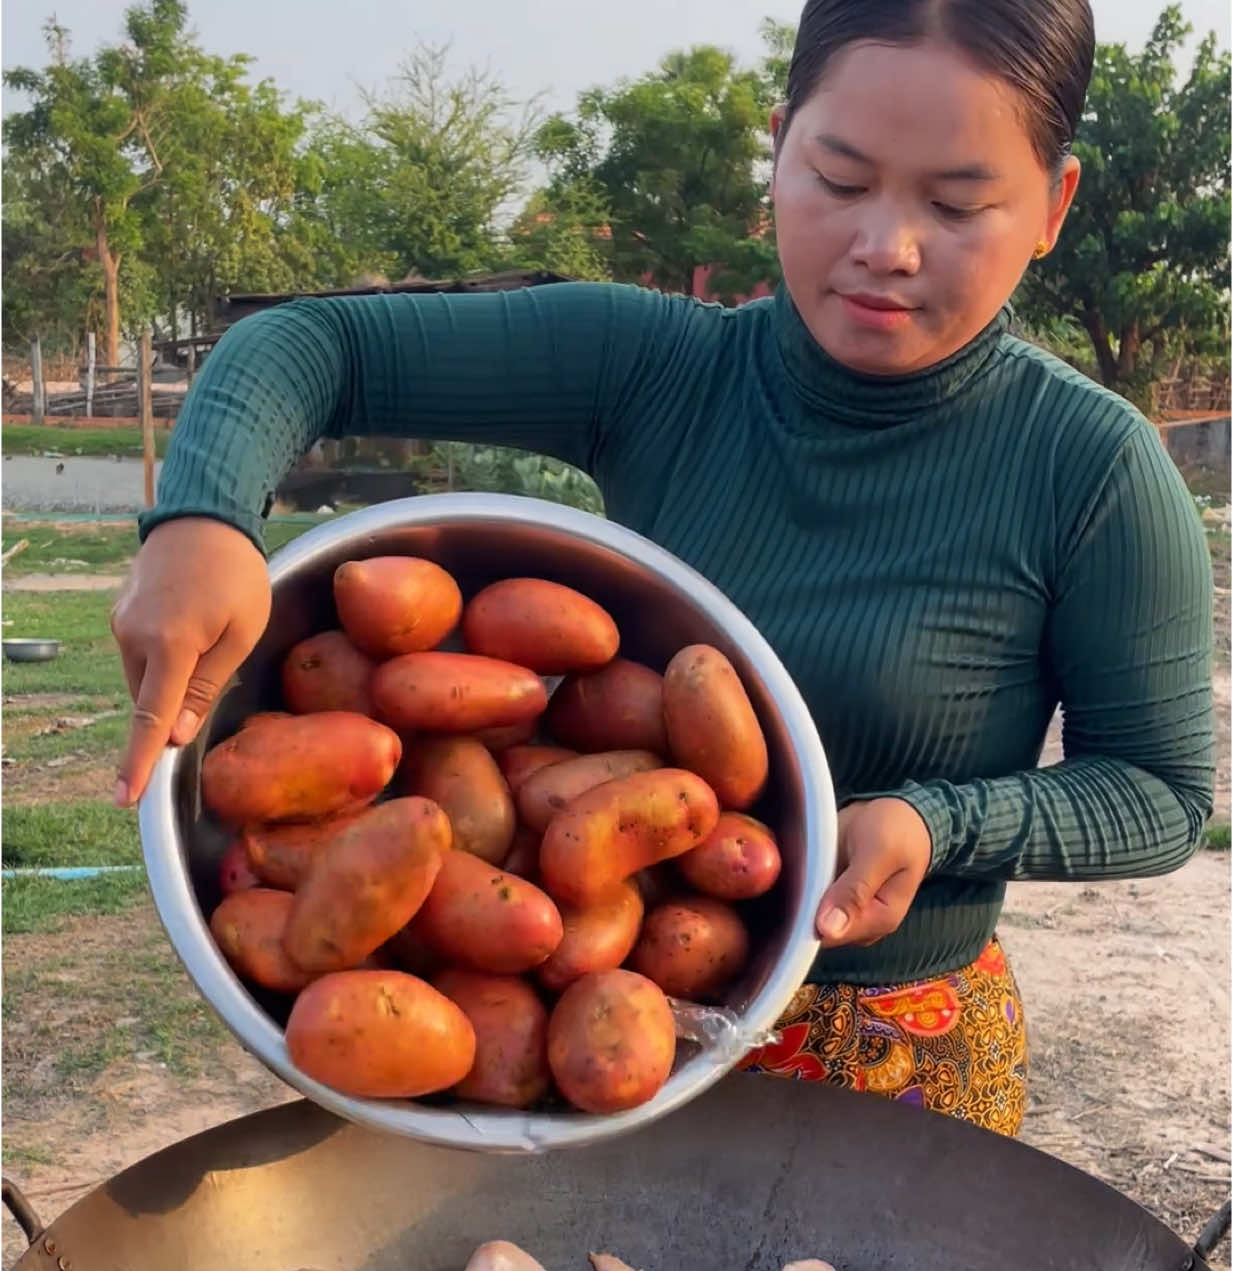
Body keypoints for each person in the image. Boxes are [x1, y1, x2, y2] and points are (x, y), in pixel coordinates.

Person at [111, 0, 1214, 1138]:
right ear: (778, 149)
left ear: (1053, 207)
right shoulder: (656, 367)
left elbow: (1164, 796)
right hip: (588, 1029)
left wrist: (939, 824)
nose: (886, 244)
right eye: (838, 179)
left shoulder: (1094, 468)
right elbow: (308, 343)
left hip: (895, 1058)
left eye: (958, 202)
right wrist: (203, 518)